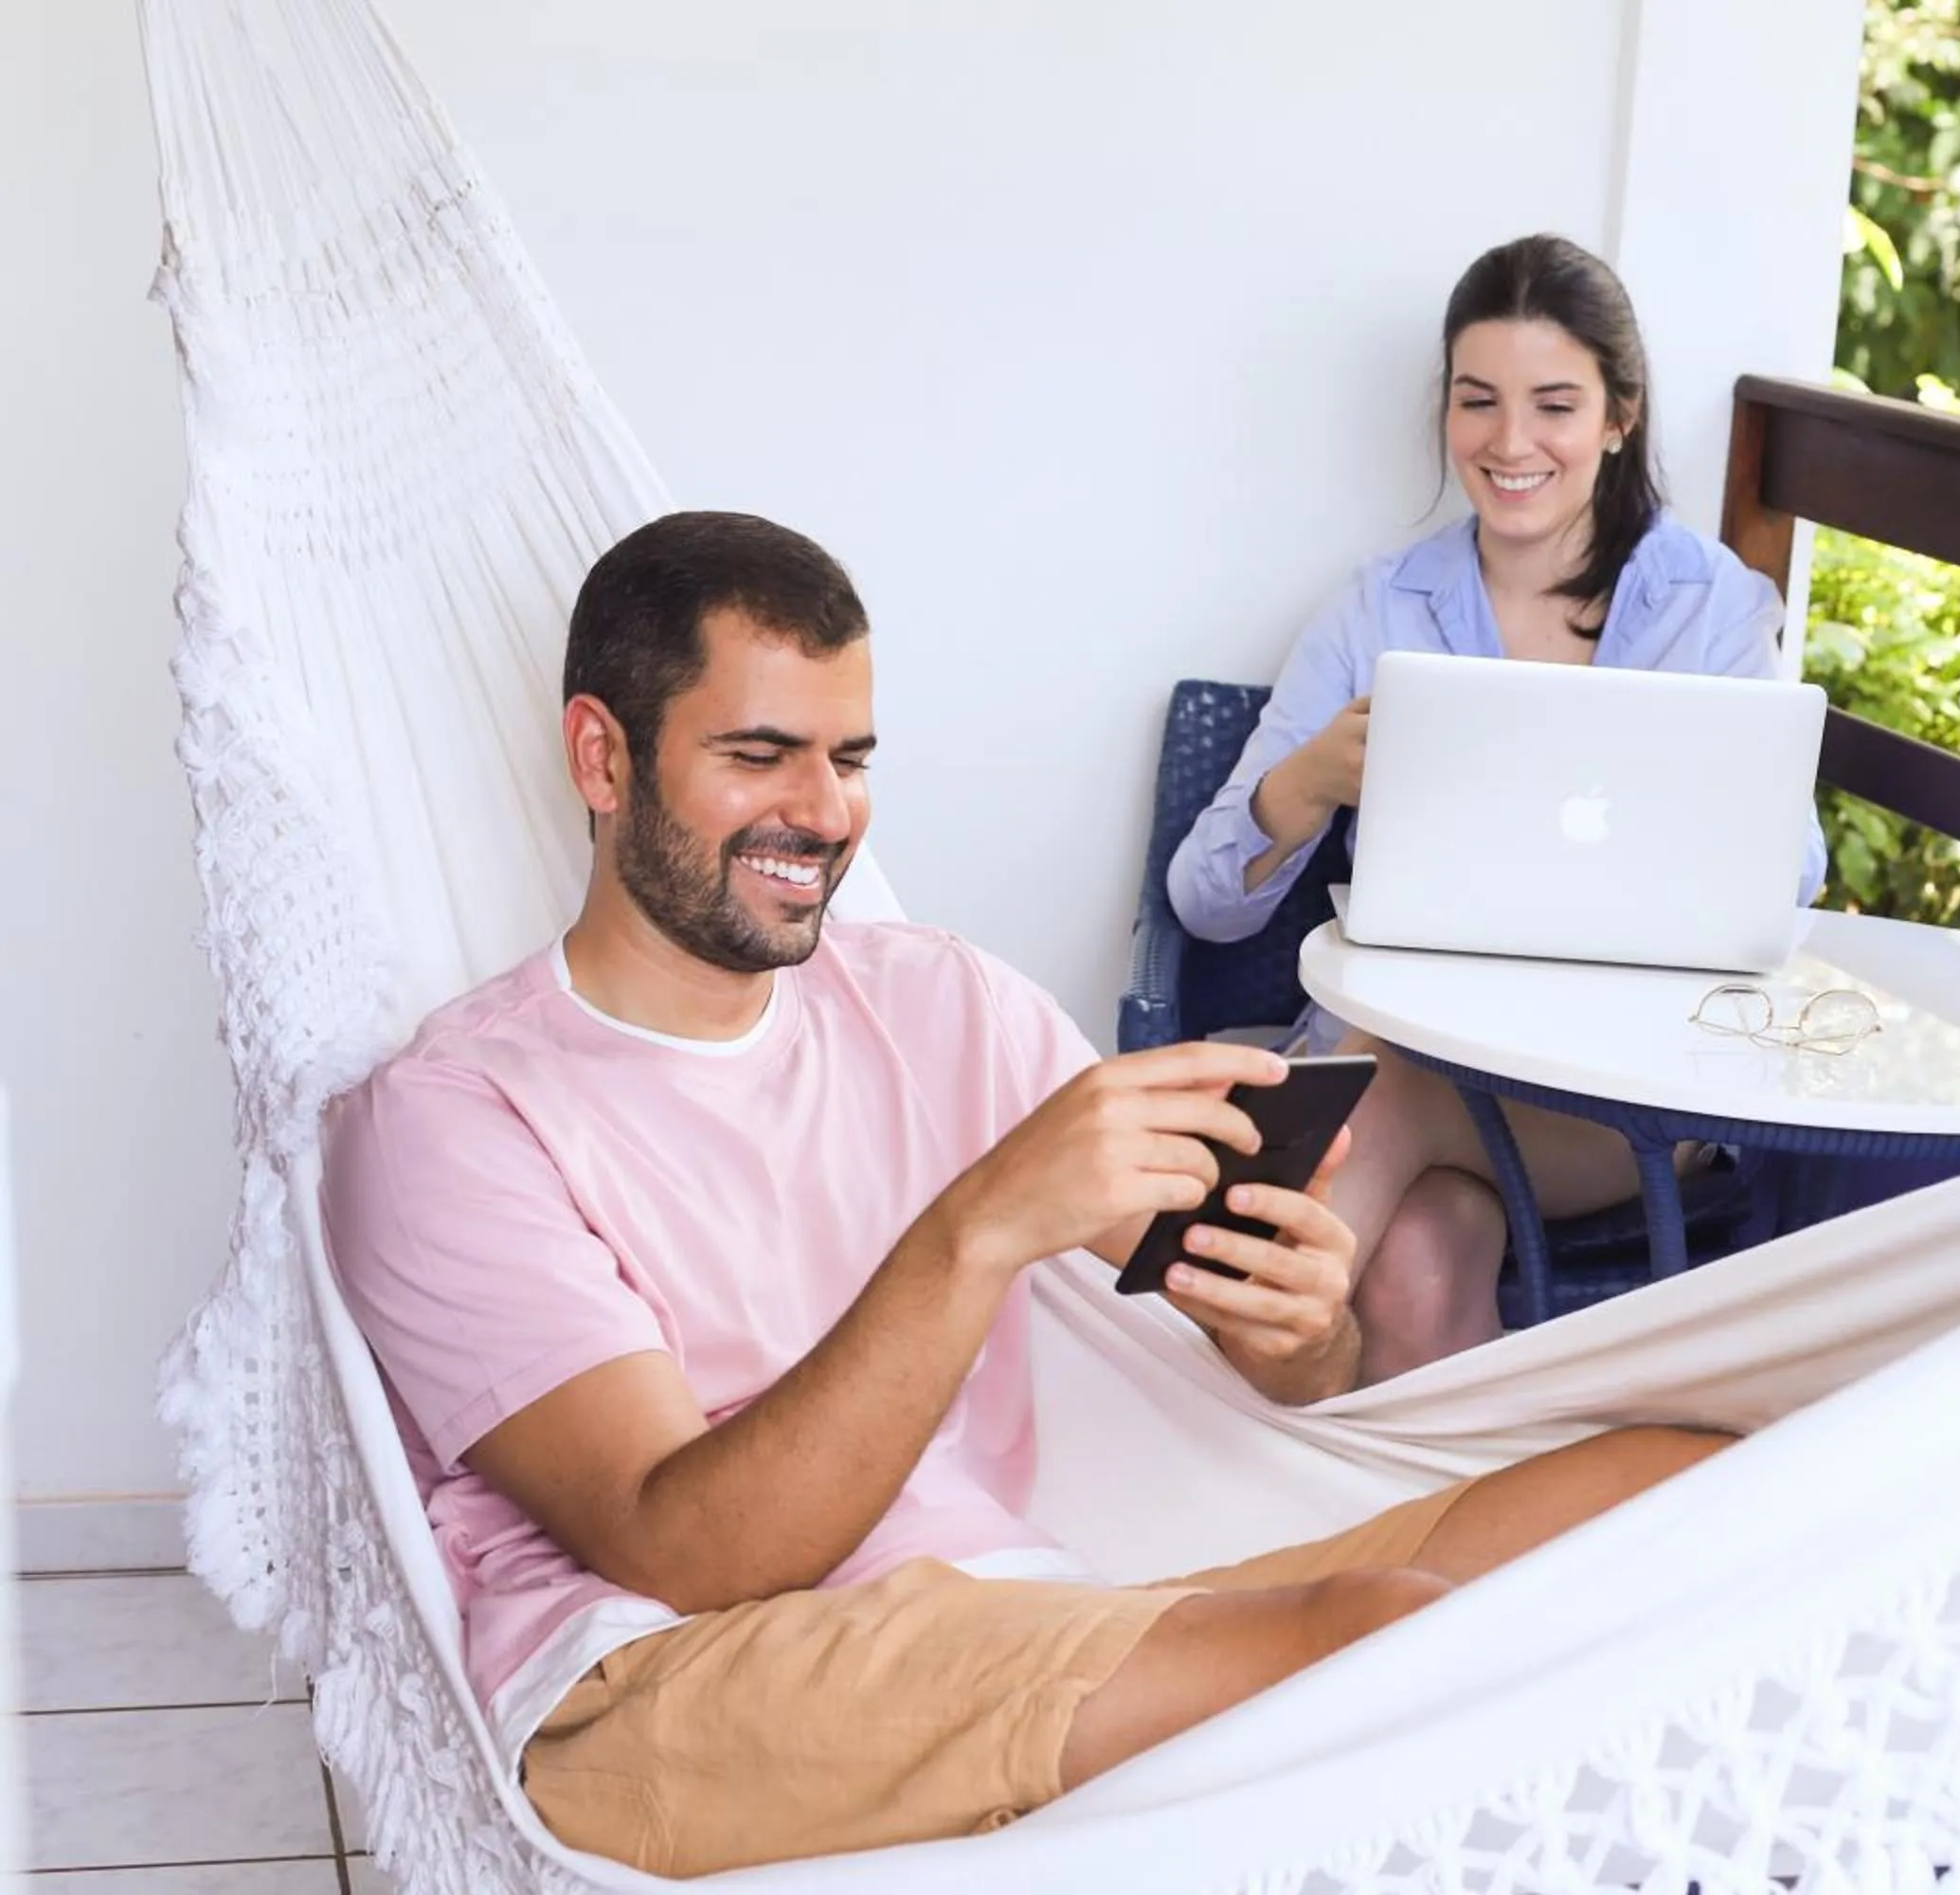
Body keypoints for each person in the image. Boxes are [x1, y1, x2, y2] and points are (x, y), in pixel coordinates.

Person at [319, 511, 1728, 1877]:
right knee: (1378, 1652)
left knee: (1681, 1490)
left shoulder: (936, 1002)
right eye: (759, 755)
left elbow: (1278, 1357)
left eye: (850, 759)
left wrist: (1302, 1333)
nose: (820, 814)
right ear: (601, 757)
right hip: (669, 1676)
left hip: (1006, 1605)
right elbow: (687, 1551)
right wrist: (982, 1225)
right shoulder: (451, 1122)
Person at [1166, 233, 1825, 1378]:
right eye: (1478, 402)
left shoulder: (1709, 608)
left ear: (1620, 416)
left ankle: (1237, 1345)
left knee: (1392, 1095)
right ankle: (1416, 1540)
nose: (1510, 443)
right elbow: (1205, 902)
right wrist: (1311, 776)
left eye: (1554, 405)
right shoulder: (1381, 608)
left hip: (1616, 1102)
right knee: (1419, 1263)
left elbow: (1788, 881)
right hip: (1407, 1073)